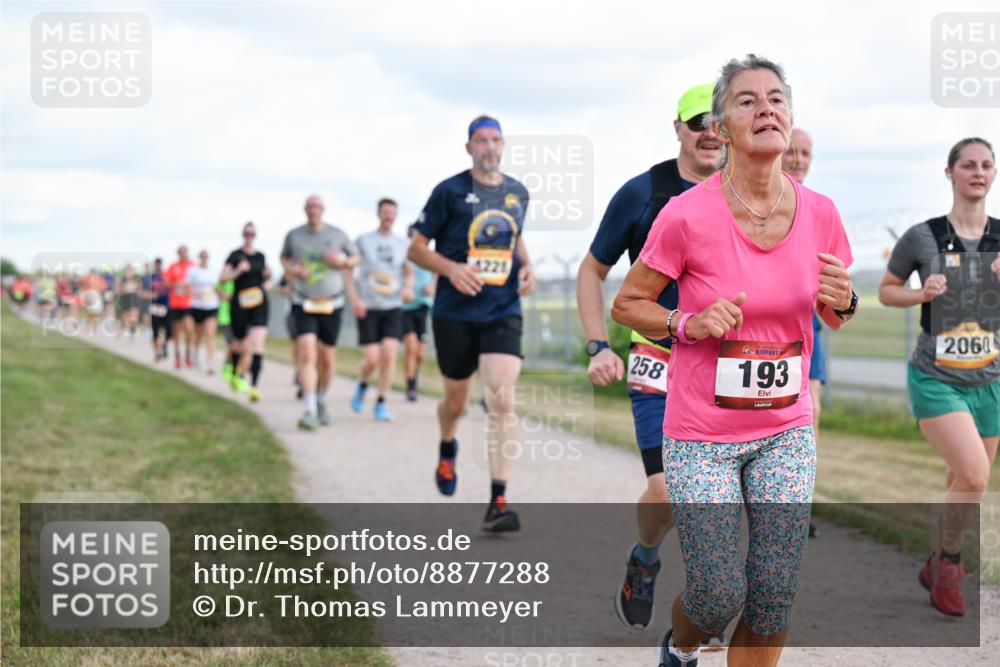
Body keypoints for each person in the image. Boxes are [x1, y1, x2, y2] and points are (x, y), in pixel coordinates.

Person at [611, 55, 857, 667]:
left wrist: (846, 301)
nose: (765, 108)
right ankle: (681, 649)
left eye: (776, 98)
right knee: (718, 592)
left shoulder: (821, 212)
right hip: (701, 435)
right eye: (746, 100)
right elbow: (627, 303)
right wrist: (684, 323)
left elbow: (835, 311)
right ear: (721, 128)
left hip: (785, 430)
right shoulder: (687, 213)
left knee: (773, 595)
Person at [577, 83, 726, 632]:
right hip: (657, 355)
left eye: (717, 122)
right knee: (666, 492)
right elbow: (592, 271)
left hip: (723, 366)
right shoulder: (643, 192)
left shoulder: (746, 191)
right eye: (696, 123)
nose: (708, 132)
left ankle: (704, 609)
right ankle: (644, 558)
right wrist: (597, 345)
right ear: (678, 129)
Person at [878, 136, 999, 618]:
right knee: (974, 474)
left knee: (964, 483)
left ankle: (935, 560)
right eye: (967, 165)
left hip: (990, 379)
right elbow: (887, 292)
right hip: (935, 377)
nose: (978, 172)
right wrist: (920, 295)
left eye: (987, 165)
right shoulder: (922, 236)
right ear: (949, 173)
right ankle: (948, 562)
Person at [409, 114, 536, 532]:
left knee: (501, 398)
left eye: (495, 139)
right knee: (457, 402)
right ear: (469, 148)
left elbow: (513, 235)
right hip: (454, 313)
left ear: (503, 145)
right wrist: (450, 269)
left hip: (502, 310)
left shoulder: (517, 192)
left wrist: (527, 267)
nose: (488, 147)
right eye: (480, 140)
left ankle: (498, 500)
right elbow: (416, 248)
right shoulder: (448, 192)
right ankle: (448, 446)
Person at [281, 196, 360, 429]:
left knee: (327, 358)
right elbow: (283, 258)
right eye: (310, 206)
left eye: (317, 207)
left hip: (331, 303)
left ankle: (322, 398)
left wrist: (343, 262)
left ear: (323, 210)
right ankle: (309, 409)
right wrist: (293, 269)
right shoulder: (294, 235)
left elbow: (356, 258)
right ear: (305, 210)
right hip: (303, 301)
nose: (313, 210)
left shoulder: (338, 234)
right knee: (307, 353)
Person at [781, 127, 821, 540]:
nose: (799, 159)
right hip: (766, 330)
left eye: (807, 153)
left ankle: (798, 500)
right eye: (793, 151)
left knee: (810, 414)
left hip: (810, 327)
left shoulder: (816, 209)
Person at [346, 198, 414, 422]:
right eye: (385, 212)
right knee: (373, 359)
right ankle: (362, 385)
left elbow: (409, 272)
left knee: (389, 355)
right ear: (378, 214)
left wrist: (407, 288)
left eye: (392, 212)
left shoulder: (403, 243)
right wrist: (355, 299)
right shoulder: (364, 241)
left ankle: (381, 403)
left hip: (392, 306)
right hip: (369, 306)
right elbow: (348, 270)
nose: (388, 216)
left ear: (396, 216)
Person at [220, 222, 271, 401]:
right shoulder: (235, 255)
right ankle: (235, 371)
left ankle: (254, 386)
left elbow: (266, 277)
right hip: (239, 304)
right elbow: (223, 277)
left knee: (257, 343)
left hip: (259, 303)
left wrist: (268, 279)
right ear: (243, 235)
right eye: (246, 233)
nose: (249, 236)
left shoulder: (261, 256)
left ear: (255, 235)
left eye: (252, 233)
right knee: (239, 345)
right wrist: (237, 271)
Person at [402, 223, 436, 402]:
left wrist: (431, 286)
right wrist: (404, 289)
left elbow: (436, 275)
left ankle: (415, 375)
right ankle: (410, 387)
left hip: (423, 306)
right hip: (405, 308)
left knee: (420, 353)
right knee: (410, 347)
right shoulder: (402, 256)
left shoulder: (429, 256)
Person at [188, 249, 220, 375]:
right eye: (202, 256)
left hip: (211, 306)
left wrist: (221, 295)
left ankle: (210, 363)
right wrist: (196, 294)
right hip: (197, 306)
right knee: (198, 335)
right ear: (199, 258)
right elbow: (187, 288)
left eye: (206, 256)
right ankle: (195, 355)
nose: (204, 258)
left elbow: (216, 287)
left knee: (210, 335)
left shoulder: (213, 272)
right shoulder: (193, 271)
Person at [164, 246, 195, 369]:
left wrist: (188, 286)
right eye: (181, 252)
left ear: (187, 253)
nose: (183, 254)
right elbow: (166, 283)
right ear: (178, 253)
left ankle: (187, 354)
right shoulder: (173, 266)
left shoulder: (193, 266)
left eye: (185, 252)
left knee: (189, 330)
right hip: (175, 304)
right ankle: (177, 357)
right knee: (176, 332)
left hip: (188, 304)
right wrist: (176, 284)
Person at [143, 258, 172, 361]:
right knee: (156, 332)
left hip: (166, 307)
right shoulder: (149, 278)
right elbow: (142, 293)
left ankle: (163, 345)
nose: (158, 266)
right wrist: (151, 295)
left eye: (160, 264)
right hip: (154, 308)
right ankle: (157, 353)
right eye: (157, 264)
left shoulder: (167, 277)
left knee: (170, 331)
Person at [217, 280, 237, 380]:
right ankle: (228, 366)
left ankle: (231, 366)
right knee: (232, 343)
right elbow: (216, 288)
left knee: (236, 344)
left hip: (237, 317)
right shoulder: (226, 279)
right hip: (225, 317)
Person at [117, 264, 142, 338]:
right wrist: (122, 290)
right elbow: (119, 289)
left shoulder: (136, 279)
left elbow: (139, 289)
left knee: (134, 314)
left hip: (134, 297)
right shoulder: (122, 280)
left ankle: (132, 328)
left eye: (130, 270)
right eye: (128, 270)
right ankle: (123, 329)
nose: (129, 272)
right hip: (126, 297)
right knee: (125, 315)